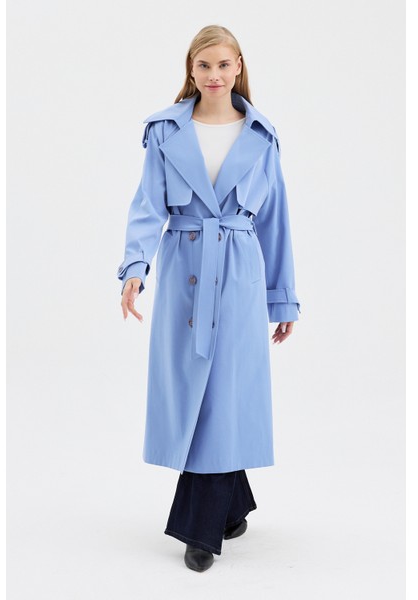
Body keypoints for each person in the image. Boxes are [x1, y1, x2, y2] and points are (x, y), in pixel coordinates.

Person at [117, 24, 301, 572]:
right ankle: (232, 506)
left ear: (238, 66)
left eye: (224, 64)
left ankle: (200, 529)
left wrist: (282, 299)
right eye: (204, 65)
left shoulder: (262, 136)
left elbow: (275, 222)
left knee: (223, 391)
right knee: (195, 387)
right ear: (191, 70)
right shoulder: (165, 131)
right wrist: (134, 268)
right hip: (185, 274)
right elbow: (148, 205)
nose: (215, 75)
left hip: (241, 276)